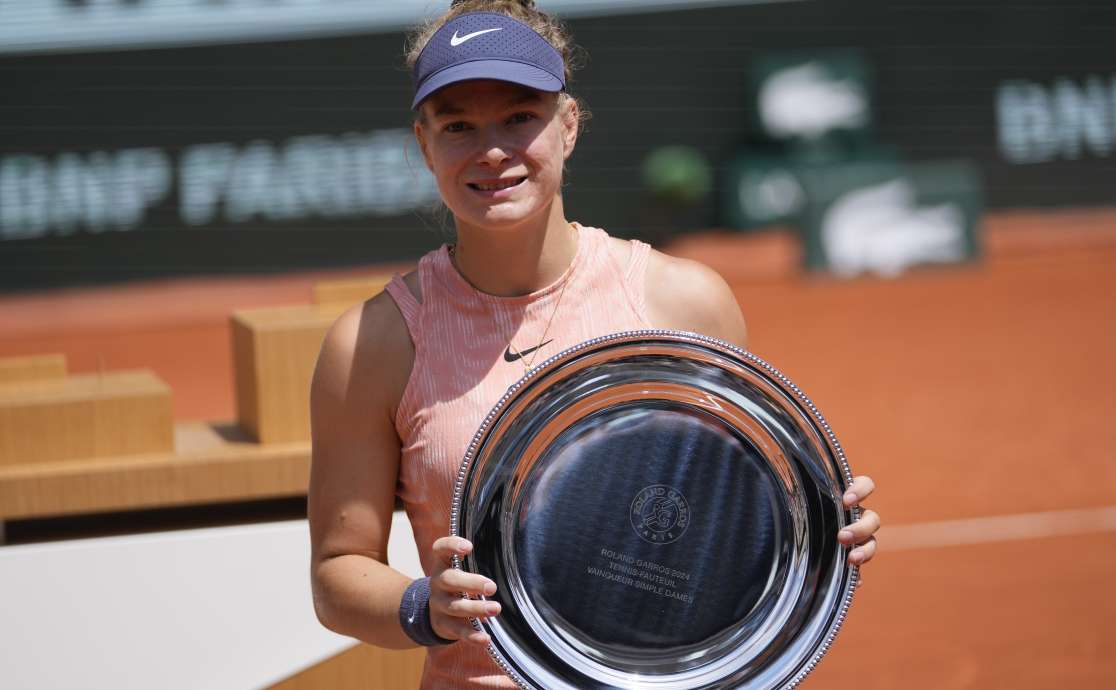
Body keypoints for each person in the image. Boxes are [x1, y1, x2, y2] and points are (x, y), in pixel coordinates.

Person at [308, 1, 880, 687]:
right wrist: (421, 607)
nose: (492, 150)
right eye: (458, 126)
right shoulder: (373, 343)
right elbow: (338, 573)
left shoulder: (683, 302)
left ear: (568, 125)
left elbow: (732, 508)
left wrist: (812, 530)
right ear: (424, 145)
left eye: (520, 117)